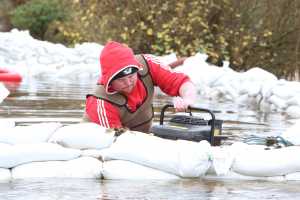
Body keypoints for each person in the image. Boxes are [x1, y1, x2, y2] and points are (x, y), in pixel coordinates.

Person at [83, 41, 196, 133]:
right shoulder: (100, 102)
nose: (128, 83)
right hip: (106, 139)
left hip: (141, 135)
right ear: (110, 81)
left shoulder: (148, 64)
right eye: (121, 80)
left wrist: (188, 100)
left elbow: (183, 82)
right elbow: (113, 141)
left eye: (131, 76)